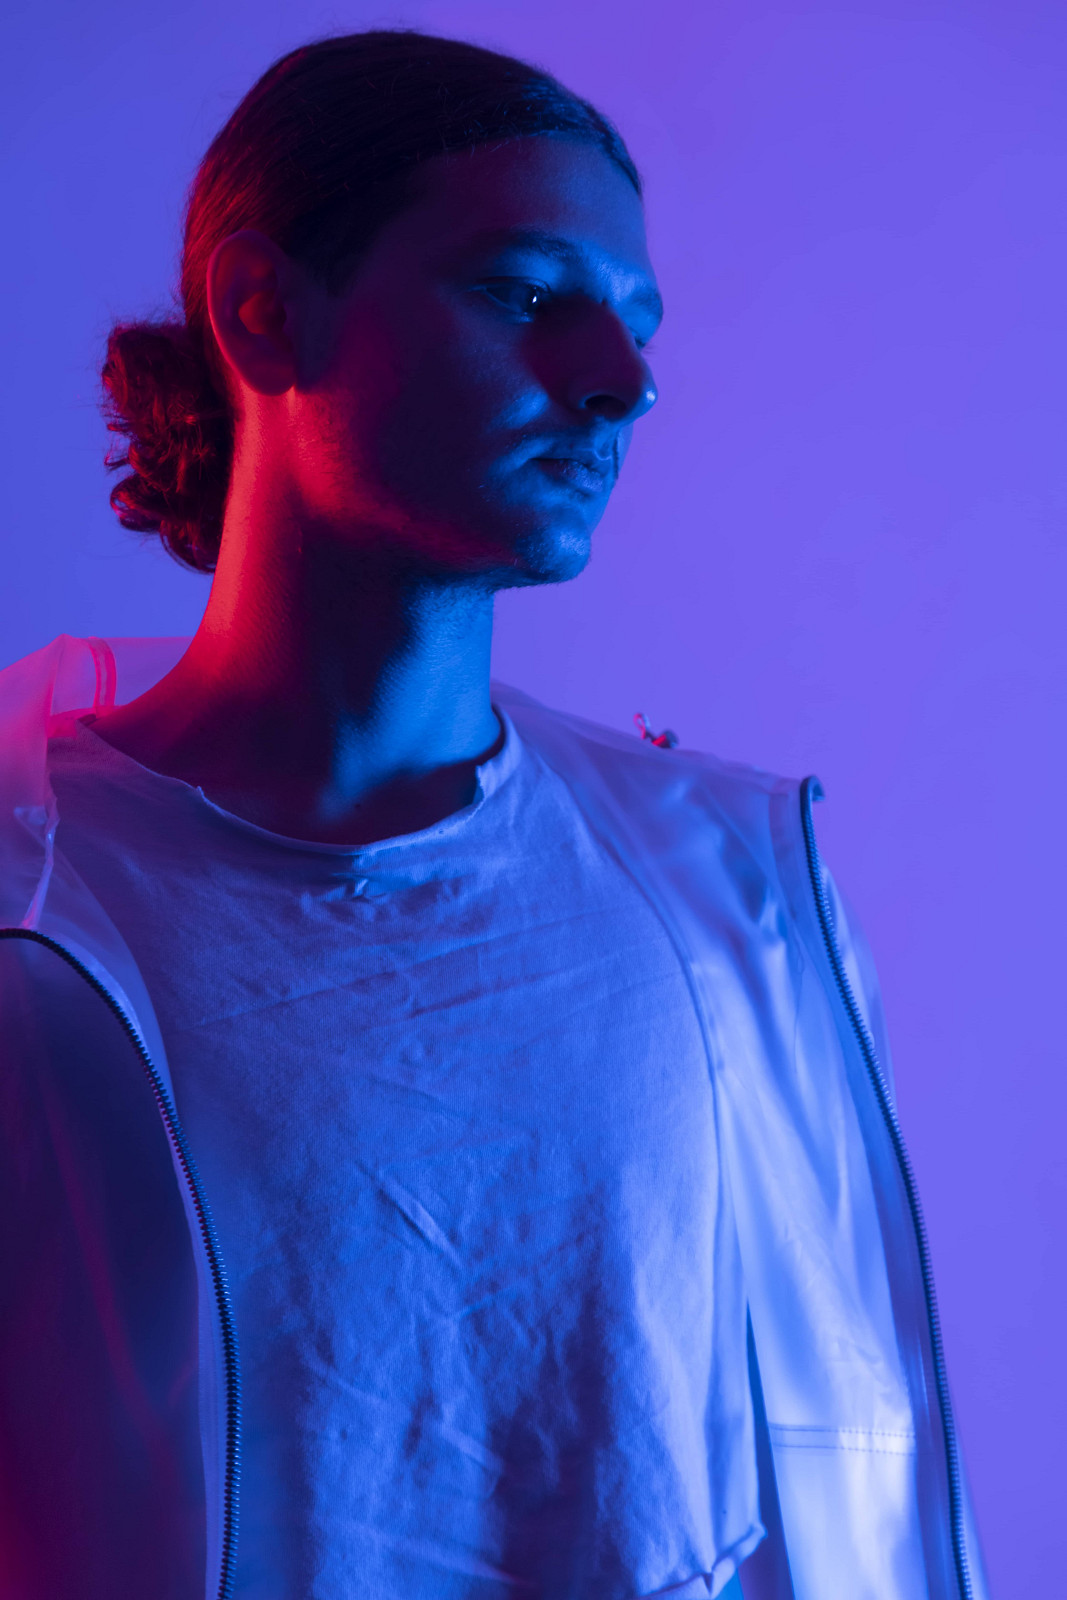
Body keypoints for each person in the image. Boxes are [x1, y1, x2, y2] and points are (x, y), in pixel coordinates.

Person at [0, 29, 988, 1600]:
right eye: (526, 295)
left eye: (637, 327)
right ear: (265, 311)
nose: (624, 382)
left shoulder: (735, 905)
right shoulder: (33, 916)